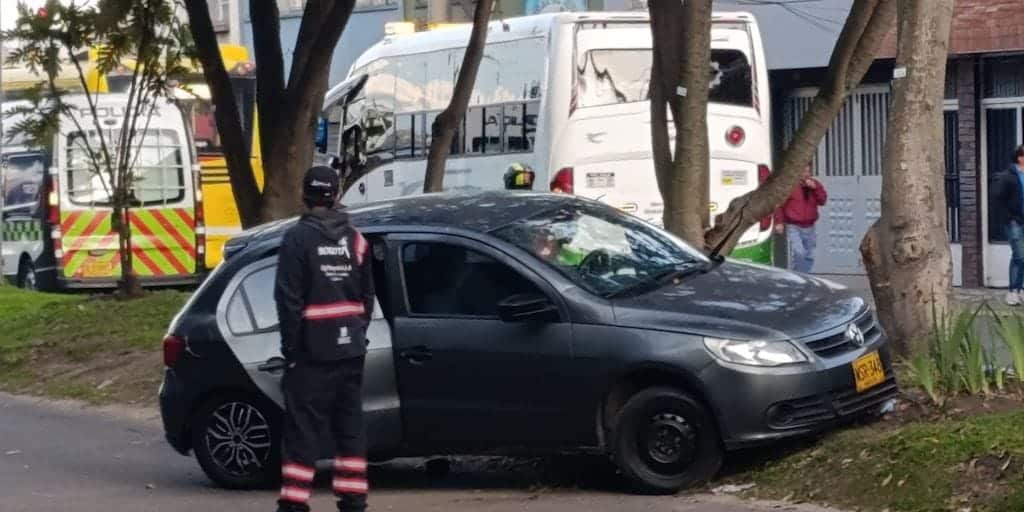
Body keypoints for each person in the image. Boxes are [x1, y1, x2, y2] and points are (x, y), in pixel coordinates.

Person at [274, 166, 375, 512]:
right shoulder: (356, 239)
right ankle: (353, 501)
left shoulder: (296, 240)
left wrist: (291, 350)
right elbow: (367, 298)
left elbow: (288, 301)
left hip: (311, 353)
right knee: (349, 427)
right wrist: (357, 332)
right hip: (350, 352)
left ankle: (294, 503)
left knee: (302, 430)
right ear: (336, 195)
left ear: (305, 195)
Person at [774, 163, 828, 273]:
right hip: (794, 225)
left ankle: (804, 277)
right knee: (799, 252)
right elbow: (779, 204)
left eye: (808, 172)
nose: (806, 174)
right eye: (803, 172)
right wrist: (779, 222)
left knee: (809, 255)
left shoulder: (815, 184)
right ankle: (799, 277)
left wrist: (815, 188)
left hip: (810, 226)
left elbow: (823, 201)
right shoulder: (789, 186)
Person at [992, 145, 1024, 306]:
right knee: (1019, 255)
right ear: (1020, 157)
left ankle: (1019, 290)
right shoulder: (1007, 177)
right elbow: (998, 200)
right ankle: (1012, 291)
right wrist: (1010, 218)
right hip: (1014, 222)